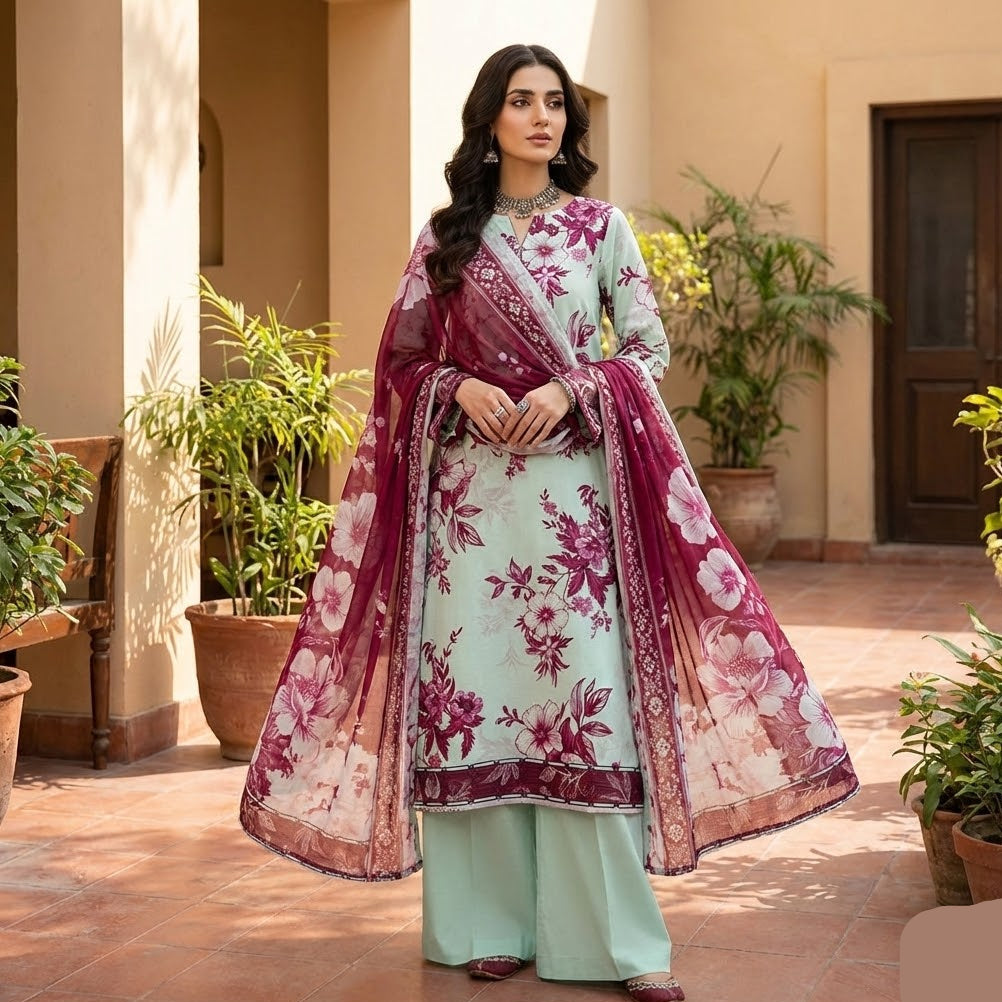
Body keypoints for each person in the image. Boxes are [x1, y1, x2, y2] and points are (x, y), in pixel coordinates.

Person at [240, 44, 859, 1002]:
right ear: (490, 119)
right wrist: (459, 388)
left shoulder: (601, 230)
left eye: (556, 103)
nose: (542, 117)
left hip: (574, 510)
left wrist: (574, 389)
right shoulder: (447, 237)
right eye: (522, 101)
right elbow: (401, 364)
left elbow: (645, 348)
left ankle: (613, 945)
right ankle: (488, 925)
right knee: (475, 705)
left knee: (587, 709)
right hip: (470, 514)